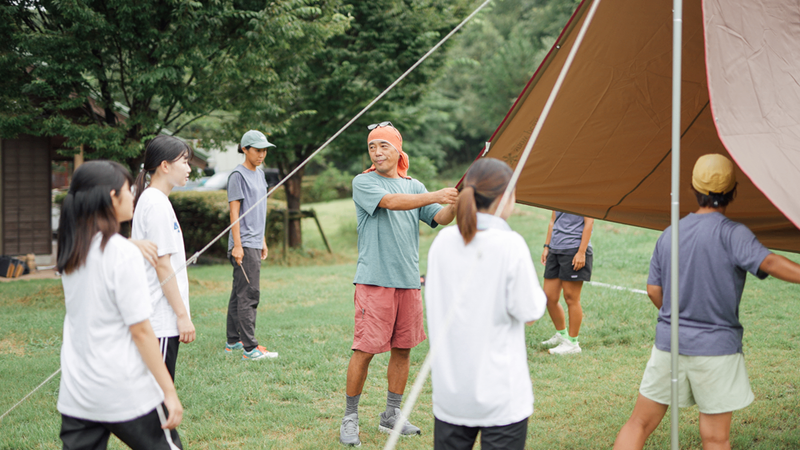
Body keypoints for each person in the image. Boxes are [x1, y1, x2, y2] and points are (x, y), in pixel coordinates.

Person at [613, 154, 800, 450]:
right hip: (716, 350)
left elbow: (652, 290)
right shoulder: (733, 234)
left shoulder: (670, 234)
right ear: (734, 191)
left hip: (669, 344)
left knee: (638, 423)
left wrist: (676, 315)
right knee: (715, 439)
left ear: (693, 189)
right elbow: (770, 262)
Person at [339, 122, 458, 446]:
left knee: (403, 349)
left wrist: (456, 200)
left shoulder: (414, 185)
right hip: (374, 281)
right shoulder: (364, 182)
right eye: (372, 147)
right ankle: (350, 417)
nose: (376, 152)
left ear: (398, 150)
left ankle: (391, 415)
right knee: (364, 350)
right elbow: (392, 202)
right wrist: (436, 194)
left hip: (408, 282)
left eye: (383, 146)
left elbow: (440, 218)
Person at [56, 160, 183, 449]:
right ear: (112, 197)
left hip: (78, 393)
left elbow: (103, 248)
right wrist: (168, 391)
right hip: (124, 389)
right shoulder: (122, 254)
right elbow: (141, 331)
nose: (133, 195)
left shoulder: (72, 251)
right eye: (128, 189)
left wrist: (130, 245)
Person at [425, 158, 547, 450]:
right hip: (500, 394)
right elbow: (531, 312)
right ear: (505, 197)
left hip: (451, 392)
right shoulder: (510, 244)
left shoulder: (442, 242)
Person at [132, 136, 196, 380]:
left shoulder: (156, 200)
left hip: (158, 319)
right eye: (184, 162)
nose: (189, 169)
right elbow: (162, 264)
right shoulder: (156, 204)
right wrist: (182, 316)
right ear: (165, 166)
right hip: (159, 320)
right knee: (159, 394)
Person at [224, 129, 278, 360]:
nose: (262, 154)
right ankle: (250, 349)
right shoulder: (237, 176)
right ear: (245, 149)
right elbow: (234, 213)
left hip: (255, 241)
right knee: (249, 294)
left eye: (265, 150)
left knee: (239, 293)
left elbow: (259, 210)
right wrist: (238, 245)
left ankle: (233, 342)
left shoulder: (260, 174)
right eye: (257, 150)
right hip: (243, 243)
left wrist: (262, 239)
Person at [540, 211, 594, 354]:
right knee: (549, 296)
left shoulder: (585, 197)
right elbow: (553, 220)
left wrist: (581, 252)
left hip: (574, 249)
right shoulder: (558, 198)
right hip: (555, 249)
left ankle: (572, 343)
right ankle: (562, 335)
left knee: (571, 298)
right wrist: (547, 246)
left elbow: (589, 222)